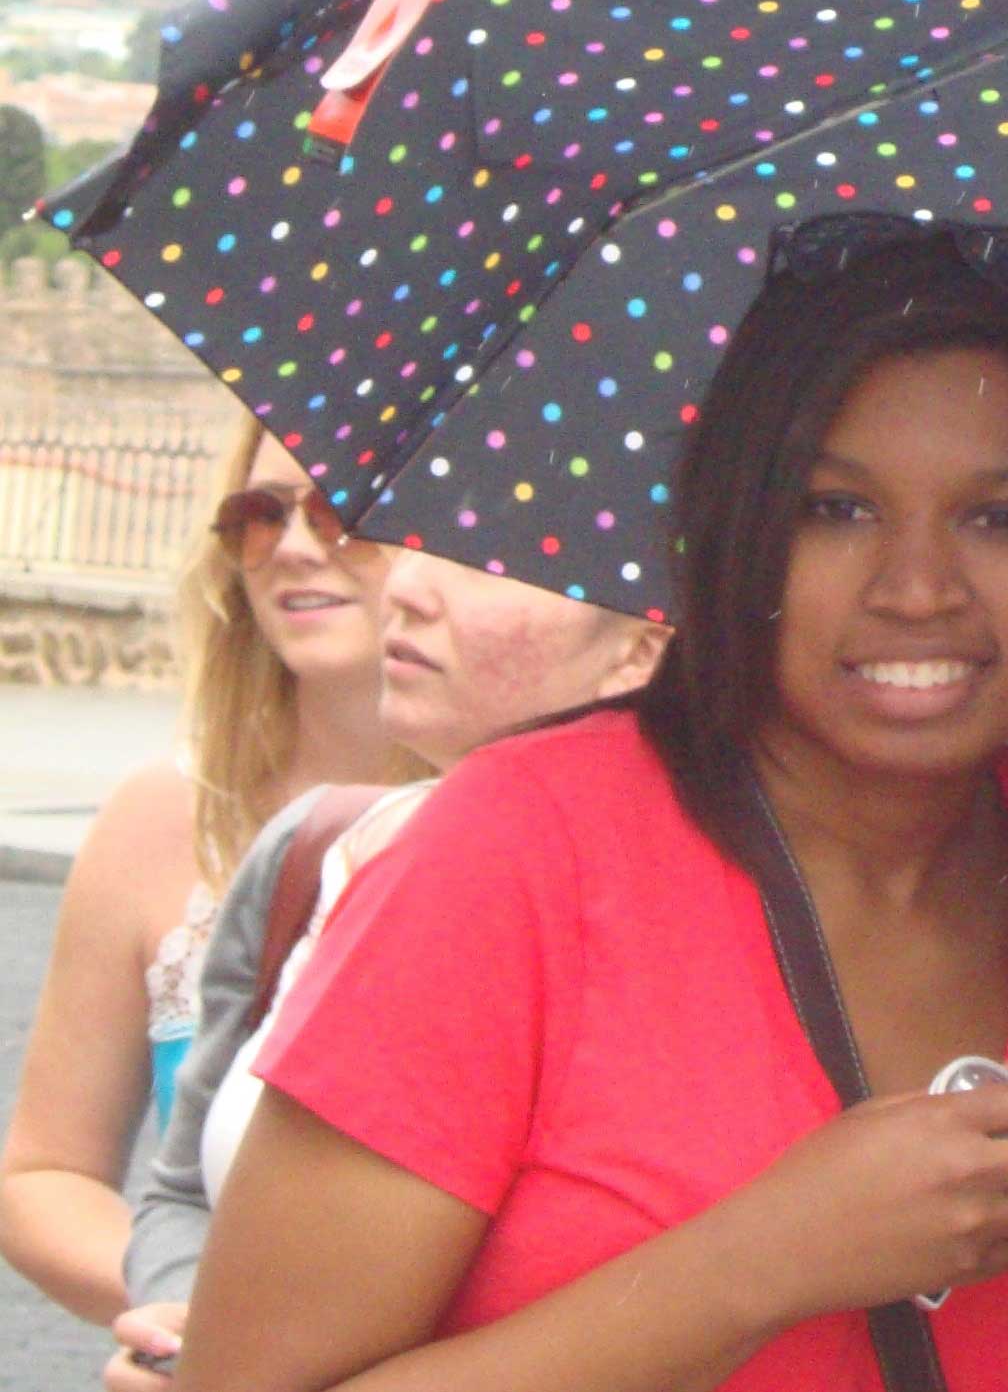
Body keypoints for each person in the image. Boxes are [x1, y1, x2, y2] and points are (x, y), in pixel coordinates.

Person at [172, 221, 1008, 1392]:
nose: (917, 589)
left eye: (1002, 518)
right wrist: (752, 1265)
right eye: (833, 509)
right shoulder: (516, 855)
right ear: (736, 523)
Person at [100, 548, 668, 1389]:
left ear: (639, 648)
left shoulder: (682, 921)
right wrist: (190, 1332)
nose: (404, 589)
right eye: (414, 550)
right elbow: (183, 1191)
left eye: (486, 563)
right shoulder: (313, 847)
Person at [0, 415, 418, 1326]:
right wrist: (189, 1308)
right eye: (259, 516)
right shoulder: (163, 816)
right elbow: (44, 1174)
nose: (298, 547)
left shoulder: (538, 818)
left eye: (344, 510)